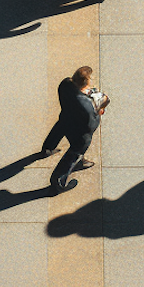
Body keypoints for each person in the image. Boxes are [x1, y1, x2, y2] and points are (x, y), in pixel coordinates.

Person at [44, 66, 107, 194]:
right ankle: (58, 182)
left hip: (66, 118)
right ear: (85, 84)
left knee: (57, 131)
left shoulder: (65, 84)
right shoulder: (87, 104)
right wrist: (98, 112)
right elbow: (91, 124)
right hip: (80, 133)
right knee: (73, 154)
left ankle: (47, 148)